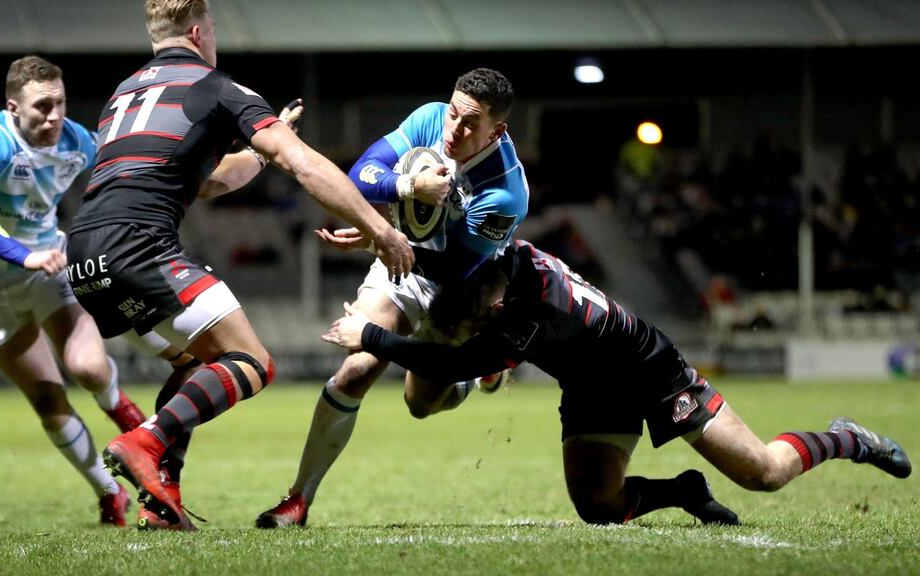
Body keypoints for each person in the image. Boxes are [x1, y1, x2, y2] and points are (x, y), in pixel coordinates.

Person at [65, 0, 413, 531]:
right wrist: (379, 228)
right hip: (138, 246)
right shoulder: (219, 87)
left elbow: (206, 181)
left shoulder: (125, 93)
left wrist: (259, 151)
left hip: (84, 256)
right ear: (200, 32)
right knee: (251, 361)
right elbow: (302, 164)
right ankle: (146, 441)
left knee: (190, 365)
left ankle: (163, 500)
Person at [321, 239, 912, 525]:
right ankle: (682, 491)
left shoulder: (530, 316)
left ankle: (848, 438)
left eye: (476, 321)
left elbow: (449, 367)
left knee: (764, 473)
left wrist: (368, 337)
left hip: (649, 370)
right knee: (598, 507)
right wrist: (378, 235)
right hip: (590, 383)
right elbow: (449, 256)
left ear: (493, 309)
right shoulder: (507, 259)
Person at [257, 67, 530, 528]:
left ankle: (474, 375)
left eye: (470, 123)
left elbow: (452, 269)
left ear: (496, 130)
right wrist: (407, 189)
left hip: (462, 288)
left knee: (420, 405)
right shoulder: (429, 120)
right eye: (452, 114)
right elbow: (360, 176)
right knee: (356, 370)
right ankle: (297, 500)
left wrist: (374, 239)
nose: (453, 130)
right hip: (404, 261)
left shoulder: (506, 192)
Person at [0, 55, 148, 527]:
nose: (53, 115)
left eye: (59, 103)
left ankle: (125, 415)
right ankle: (110, 491)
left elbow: (134, 171)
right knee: (48, 400)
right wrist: (22, 254)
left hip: (49, 270)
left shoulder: (77, 140)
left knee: (89, 368)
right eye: (41, 106)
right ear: (13, 106)